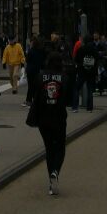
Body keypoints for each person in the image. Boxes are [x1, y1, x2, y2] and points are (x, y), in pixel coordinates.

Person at [30, 49, 71, 196]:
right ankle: (55, 172)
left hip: (43, 118)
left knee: (49, 148)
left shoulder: (41, 76)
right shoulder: (64, 77)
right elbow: (69, 98)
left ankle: (51, 180)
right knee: (60, 147)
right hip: (59, 117)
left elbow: (35, 94)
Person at [73, 36, 98, 112]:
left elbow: (76, 59)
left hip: (82, 72)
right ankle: (89, 108)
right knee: (90, 89)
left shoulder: (81, 49)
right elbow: (97, 60)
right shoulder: (94, 50)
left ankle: (75, 107)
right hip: (91, 72)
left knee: (76, 88)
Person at [24, 35, 45, 107]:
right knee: (36, 85)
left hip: (30, 70)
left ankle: (29, 100)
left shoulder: (31, 51)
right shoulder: (41, 51)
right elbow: (42, 61)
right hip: (37, 70)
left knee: (30, 86)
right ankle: (35, 99)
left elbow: (27, 60)